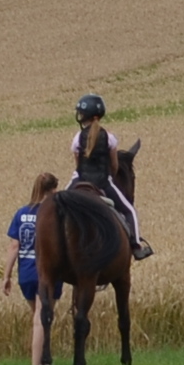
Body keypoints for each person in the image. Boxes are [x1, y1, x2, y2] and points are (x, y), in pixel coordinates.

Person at [70, 94, 153, 261]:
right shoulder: (109, 137)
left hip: (80, 180)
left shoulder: (78, 138)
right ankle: (137, 246)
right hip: (103, 182)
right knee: (129, 211)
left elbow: (78, 165)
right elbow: (114, 166)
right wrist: (107, 177)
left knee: (58, 204)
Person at [3, 172, 56, 313]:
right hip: (48, 272)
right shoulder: (54, 213)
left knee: (37, 314)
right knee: (42, 316)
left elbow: (14, 246)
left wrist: (6, 276)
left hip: (26, 273)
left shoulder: (21, 214)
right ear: (53, 190)